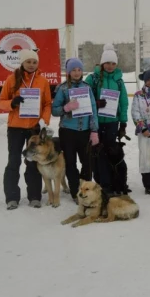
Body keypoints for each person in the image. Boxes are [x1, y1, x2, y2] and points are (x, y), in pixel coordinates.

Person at [0, 49, 51, 210]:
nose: (31, 65)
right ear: (22, 62)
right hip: (15, 128)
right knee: (14, 161)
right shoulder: (11, 79)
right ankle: (12, 197)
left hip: (33, 129)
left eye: (34, 62)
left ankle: (34, 196)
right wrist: (12, 103)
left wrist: (44, 120)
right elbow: (1, 102)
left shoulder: (43, 81)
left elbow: (47, 104)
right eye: (28, 61)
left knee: (33, 163)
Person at [84, 43, 130, 195]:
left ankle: (111, 184)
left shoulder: (119, 81)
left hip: (111, 122)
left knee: (109, 153)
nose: (110, 66)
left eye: (113, 63)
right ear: (102, 63)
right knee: (96, 154)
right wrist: (95, 104)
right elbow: (85, 98)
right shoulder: (93, 78)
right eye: (107, 63)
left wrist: (123, 122)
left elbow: (123, 101)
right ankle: (99, 184)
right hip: (95, 123)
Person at [52, 58, 99, 203]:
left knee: (87, 162)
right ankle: (75, 191)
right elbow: (54, 110)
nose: (77, 73)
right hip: (68, 131)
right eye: (73, 70)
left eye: (79, 70)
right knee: (71, 163)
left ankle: (86, 190)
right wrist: (66, 108)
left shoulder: (87, 87)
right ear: (68, 72)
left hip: (84, 131)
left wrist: (94, 130)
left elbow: (93, 109)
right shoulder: (62, 88)